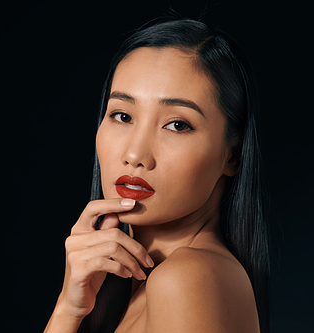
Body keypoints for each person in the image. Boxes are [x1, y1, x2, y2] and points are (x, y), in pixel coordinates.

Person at [44, 18, 269, 333]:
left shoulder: (186, 278)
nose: (135, 155)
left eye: (177, 124)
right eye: (122, 116)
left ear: (232, 155)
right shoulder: (132, 286)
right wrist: (68, 309)